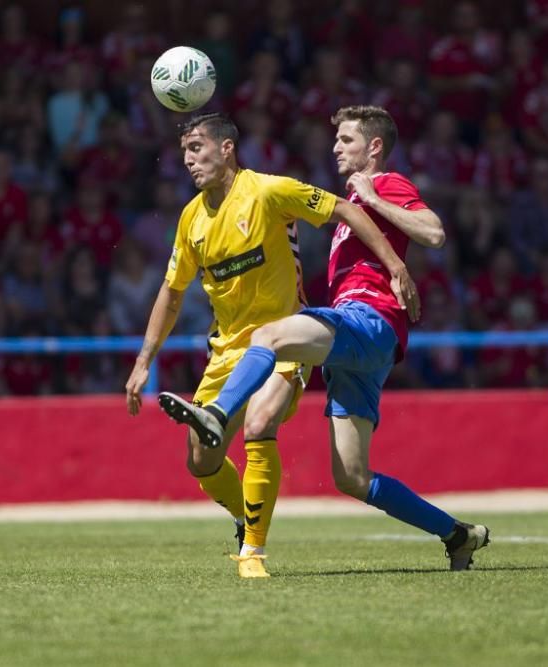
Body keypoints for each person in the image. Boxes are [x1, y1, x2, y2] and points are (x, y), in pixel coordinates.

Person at [157, 106, 489, 572]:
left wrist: (374, 201)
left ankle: (215, 413)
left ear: (374, 147)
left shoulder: (385, 184)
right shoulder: (349, 198)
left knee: (271, 334)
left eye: (346, 140)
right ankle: (458, 535)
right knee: (352, 477)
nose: (335, 147)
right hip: (358, 348)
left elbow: (433, 232)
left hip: (370, 320)